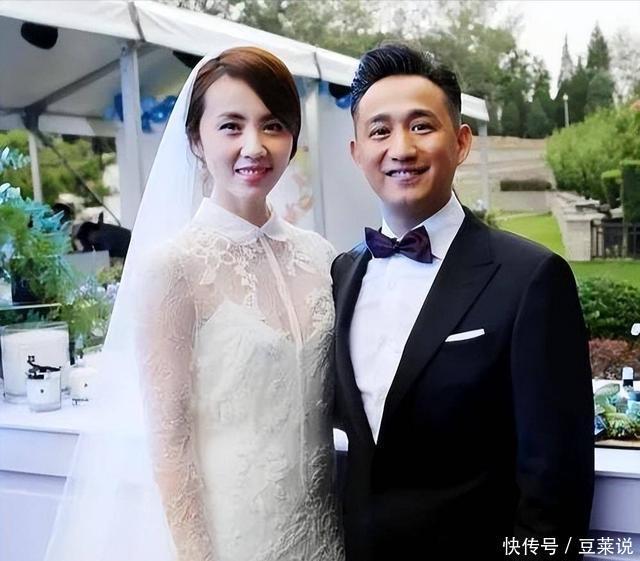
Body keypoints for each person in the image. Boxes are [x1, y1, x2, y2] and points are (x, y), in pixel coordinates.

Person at [44, 47, 343, 561]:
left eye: (272, 125)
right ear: (196, 140)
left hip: (325, 535)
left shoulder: (321, 256)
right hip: (231, 543)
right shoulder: (173, 267)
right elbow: (170, 442)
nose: (254, 146)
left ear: (292, 137)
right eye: (231, 126)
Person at [331, 43, 594, 561]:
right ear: (357, 152)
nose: (401, 148)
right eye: (380, 131)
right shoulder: (342, 273)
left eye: (421, 126)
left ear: (461, 141)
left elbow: (556, 481)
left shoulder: (531, 278)